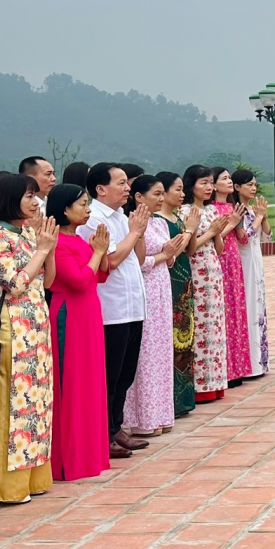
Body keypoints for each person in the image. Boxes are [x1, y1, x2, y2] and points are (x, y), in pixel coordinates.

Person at [0, 172, 56, 504]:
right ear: (10, 198)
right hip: (13, 326)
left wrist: (46, 249)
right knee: (12, 404)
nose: (35, 202)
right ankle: (6, 487)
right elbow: (13, 283)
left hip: (36, 325)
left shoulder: (27, 231)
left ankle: (34, 478)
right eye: (28, 196)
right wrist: (40, 250)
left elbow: (47, 280)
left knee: (36, 404)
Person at [82, 163, 149, 460]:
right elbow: (109, 261)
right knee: (109, 374)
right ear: (100, 188)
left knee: (125, 374)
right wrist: (134, 233)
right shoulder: (93, 219)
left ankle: (116, 426)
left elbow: (139, 257)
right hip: (112, 309)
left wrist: (139, 233)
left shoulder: (123, 216)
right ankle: (104, 433)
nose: (127, 188)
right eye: (121, 183)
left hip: (133, 305)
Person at [47, 184, 111, 480]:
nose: (87, 209)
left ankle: (89, 455)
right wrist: (97, 253)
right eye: (82, 204)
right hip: (68, 317)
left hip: (88, 314)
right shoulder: (58, 242)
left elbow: (99, 275)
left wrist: (102, 252)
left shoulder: (80, 239)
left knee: (90, 381)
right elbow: (79, 280)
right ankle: (67, 459)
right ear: (64, 209)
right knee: (71, 385)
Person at [124, 175, 184, 436]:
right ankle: (140, 418)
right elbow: (136, 261)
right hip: (144, 288)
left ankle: (160, 414)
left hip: (162, 288)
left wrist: (169, 255)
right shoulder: (132, 224)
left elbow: (168, 259)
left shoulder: (158, 223)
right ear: (139, 197)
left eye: (162, 194)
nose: (161, 199)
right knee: (145, 353)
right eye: (156, 194)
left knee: (160, 351)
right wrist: (164, 255)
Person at [182, 166, 230, 403]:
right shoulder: (185, 212)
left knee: (215, 327)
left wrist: (217, 232)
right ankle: (200, 385)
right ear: (191, 185)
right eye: (204, 183)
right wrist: (211, 232)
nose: (209, 187)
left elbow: (218, 248)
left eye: (211, 183)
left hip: (213, 272)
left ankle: (216, 381)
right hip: (196, 274)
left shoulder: (211, 211)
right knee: (200, 328)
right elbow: (189, 248)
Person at [157, 173, 197, 419]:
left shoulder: (178, 218)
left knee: (186, 339)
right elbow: (171, 252)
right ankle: (172, 399)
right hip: (169, 280)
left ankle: (185, 398)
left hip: (185, 281)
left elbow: (189, 250)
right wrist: (190, 230)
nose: (182, 195)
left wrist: (189, 231)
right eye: (178, 190)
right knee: (174, 339)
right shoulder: (158, 220)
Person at [212, 169, 253, 385]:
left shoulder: (231, 207)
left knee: (236, 311)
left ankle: (238, 368)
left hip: (234, 262)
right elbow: (214, 236)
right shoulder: (211, 210)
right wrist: (231, 222)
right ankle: (225, 369)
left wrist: (239, 224)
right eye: (224, 179)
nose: (229, 182)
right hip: (220, 261)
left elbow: (243, 239)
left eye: (229, 178)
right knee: (224, 314)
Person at [232, 168, 270, 379]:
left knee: (258, 307)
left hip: (256, 263)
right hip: (243, 264)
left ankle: (259, 361)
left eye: (255, 185)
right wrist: (259, 217)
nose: (253, 188)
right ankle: (248, 364)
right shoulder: (236, 211)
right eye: (249, 185)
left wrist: (262, 217)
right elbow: (244, 238)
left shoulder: (253, 210)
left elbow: (267, 237)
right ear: (237, 187)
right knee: (247, 308)